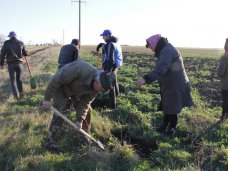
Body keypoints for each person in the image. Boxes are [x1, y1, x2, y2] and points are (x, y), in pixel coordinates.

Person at [43, 60, 116, 153]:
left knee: (87, 111)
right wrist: (47, 98)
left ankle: (83, 137)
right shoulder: (81, 69)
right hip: (61, 88)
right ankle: (51, 142)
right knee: (62, 112)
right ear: (97, 81)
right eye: (101, 88)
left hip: (75, 92)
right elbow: (57, 78)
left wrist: (79, 120)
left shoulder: (96, 89)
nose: (100, 91)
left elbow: (85, 103)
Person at [135, 34, 195, 137]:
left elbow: (161, 69)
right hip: (170, 83)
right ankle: (163, 126)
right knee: (167, 105)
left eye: (150, 47)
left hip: (175, 84)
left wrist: (145, 79)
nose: (151, 49)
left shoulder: (167, 50)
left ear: (155, 43)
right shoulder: (165, 49)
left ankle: (172, 129)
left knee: (172, 107)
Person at [0, 31, 28, 99]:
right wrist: (25, 52)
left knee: (13, 81)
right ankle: (21, 93)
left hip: (11, 64)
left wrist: (1, 64)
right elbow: (26, 54)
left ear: (10, 36)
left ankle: (16, 96)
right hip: (20, 64)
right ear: (15, 36)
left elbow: (2, 54)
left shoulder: (6, 43)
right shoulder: (21, 42)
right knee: (19, 80)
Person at [99, 29, 123, 109]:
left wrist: (109, 71)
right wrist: (102, 45)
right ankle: (117, 95)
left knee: (110, 85)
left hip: (110, 66)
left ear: (108, 36)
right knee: (114, 81)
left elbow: (110, 58)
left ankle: (112, 106)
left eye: (103, 36)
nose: (103, 38)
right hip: (116, 66)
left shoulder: (110, 45)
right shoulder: (116, 44)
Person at [217, 38, 228, 122]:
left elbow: (220, 72)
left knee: (225, 102)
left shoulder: (224, 57)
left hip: (226, 85)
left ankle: (223, 119)